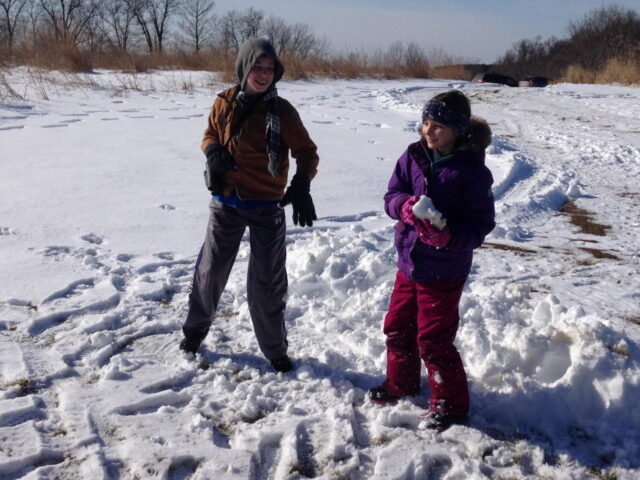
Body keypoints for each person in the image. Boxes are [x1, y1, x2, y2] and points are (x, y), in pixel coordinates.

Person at [179, 38, 319, 373]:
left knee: (267, 282)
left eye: (270, 68)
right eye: (257, 67)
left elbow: (307, 152)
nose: (264, 74)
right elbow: (210, 134)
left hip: (266, 205)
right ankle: (194, 331)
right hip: (226, 201)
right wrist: (213, 152)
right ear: (244, 67)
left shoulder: (282, 111)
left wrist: (301, 184)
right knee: (210, 271)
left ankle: (274, 350)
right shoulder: (224, 101)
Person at [369, 90, 495, 430]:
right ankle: (401, 382)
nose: (429, 131)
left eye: (438, 125)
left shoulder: (473, 172)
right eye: (426, 122)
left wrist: (449, 236)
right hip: (409, 264)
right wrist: (405, 208)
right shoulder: (412, 157)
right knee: (397, 327)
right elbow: (391, 196)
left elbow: (480, 225)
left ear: (458, 130)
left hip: (444, 272)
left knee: (434, 340)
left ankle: (451, 404)